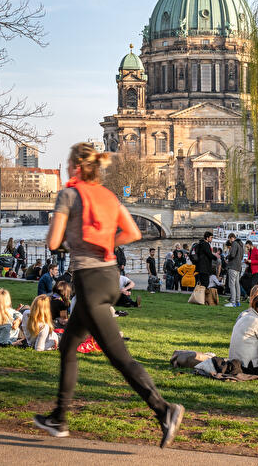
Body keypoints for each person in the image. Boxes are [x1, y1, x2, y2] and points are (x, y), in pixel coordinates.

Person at [34, 142, 183, 446]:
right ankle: (59, 418)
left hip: (88, 281)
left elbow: (52, 242)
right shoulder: (108, 196)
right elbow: (132, 233)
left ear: (76, 166)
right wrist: (105, 242)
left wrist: (75, 244)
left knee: (119, 358)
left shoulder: (69, 195)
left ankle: (164, 409)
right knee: (68, 346)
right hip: (110, 277)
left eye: (67, 163)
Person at [224, 234, 243, 307]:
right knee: (237, 284)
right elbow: (241, 256)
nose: (229, 241)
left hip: (233, 266)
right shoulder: (241, 245)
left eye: (229, 239)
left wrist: (227, 257)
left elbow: (232, 254)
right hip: (238, 266)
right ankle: (238, 301)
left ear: (231, 238)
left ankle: (232, 302)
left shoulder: (234, 243)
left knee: (231, 284)